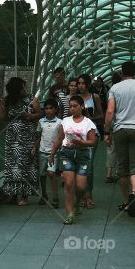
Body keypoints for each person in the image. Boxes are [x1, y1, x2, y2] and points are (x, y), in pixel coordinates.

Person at [103, 60, 135, 217]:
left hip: (120, 130)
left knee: (122, 167)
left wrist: (106, 132)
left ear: (122, 72)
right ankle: (134, 191)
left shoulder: (115, 88)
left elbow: (110, 112)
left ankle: (126, 202)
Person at [50, 94, 97, 224]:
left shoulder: (88, 123)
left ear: (82, 106)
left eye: (75, 106)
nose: (72, 109)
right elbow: (60, 138)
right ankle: (69, 214)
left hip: (83, 155)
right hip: (67, 154)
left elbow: (92, 141)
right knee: (69, 184)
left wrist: (82, 142)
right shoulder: (65, 121)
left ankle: (77, 202)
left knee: (80, 186)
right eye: (70, 106)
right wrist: (52, 153)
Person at [0, 77, 40, 206]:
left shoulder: (32, 99)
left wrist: (31, 116)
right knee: (13, 166)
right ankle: (13, 194)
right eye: (23, 86)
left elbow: (40, 113)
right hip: (13, 138)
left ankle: (24, 196)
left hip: (28, 137)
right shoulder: (8, 101)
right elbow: (2, 116)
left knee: (27, 165)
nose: (25, 89)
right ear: (17, 89)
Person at [77, 74, 103, 208]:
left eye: (83, 83)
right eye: (79, 83)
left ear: (87, 84)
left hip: (92, 134)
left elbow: (101, 116)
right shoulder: (75, 98)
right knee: (80, 165)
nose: (80, 86)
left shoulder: (95, 97)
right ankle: (82, 194)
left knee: (89, 166)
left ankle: (89, 194)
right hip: (78, 135)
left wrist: (90, 117)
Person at [34, 98, 62, 207]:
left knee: (51, 173)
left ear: (55, 109)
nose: (48, 110)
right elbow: (39, 136)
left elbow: (60, 138)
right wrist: (34, 147)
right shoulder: (41, 121)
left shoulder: (60, 122)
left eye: (51, 108)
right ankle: (44, 194)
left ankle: (55, 197)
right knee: (42, 175)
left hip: (54, 153)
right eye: (46, 108)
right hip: (42, 151)